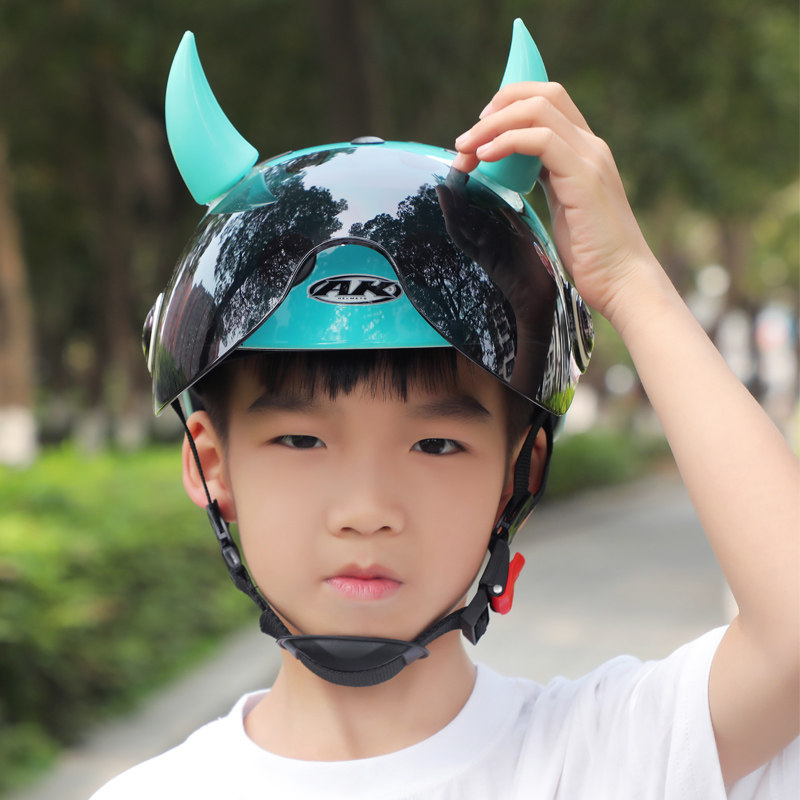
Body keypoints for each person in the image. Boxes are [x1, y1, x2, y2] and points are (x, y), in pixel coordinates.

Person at [91, 22, 799, 800]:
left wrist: (630, 280)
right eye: (300, 439)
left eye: (434, 445)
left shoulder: (603, 757)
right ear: (212, 464)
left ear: (518, 472)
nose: (367, 512)